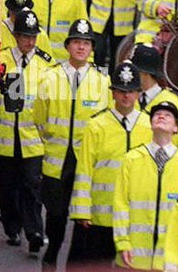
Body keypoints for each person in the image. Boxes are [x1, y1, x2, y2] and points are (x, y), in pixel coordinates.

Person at [33, 18, 109, 271]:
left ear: (91, 48)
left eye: (86, 43)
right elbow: (39, 117)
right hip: (57, 160)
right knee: (55, 215)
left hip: (86, 161)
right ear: (67, 46)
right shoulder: (50, 77)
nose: (81, 47)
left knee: (82, 216)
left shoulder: (101, 82)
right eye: (76, 42)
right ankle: (52, 253)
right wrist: (54, 139)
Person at [69, 60, 152, 265]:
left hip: (135, 217)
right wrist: (81, 209)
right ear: (112, 92)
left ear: (139, 93)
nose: (126, 96)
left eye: (131, 91)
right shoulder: (96, 125)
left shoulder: (148, 125)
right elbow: (85, 170)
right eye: (121, 90)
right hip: (100, 216)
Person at [0, 7, 55, 257]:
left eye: (33, 36)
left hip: (32, 141)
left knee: (31, 188)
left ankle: (34, 233)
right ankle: (12, 228)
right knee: (6, 188)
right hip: (4, 140)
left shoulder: (44, 66)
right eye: (25, 36)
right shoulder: (2, 60)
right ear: (17, 36)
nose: (30, 41)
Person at [112, 101, 178, 269]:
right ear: (150, 124)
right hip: (133, 257)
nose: (161, 116)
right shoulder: (132, 159)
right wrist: (122, 242)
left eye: (168, 115)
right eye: (157, 114)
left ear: (176, 128)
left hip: (170, 260)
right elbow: (121, 203)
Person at [132, 43, 178, 118]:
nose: (131, 75)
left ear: (145, 73)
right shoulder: (128, 98)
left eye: (134, 71)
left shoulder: (173, 101)